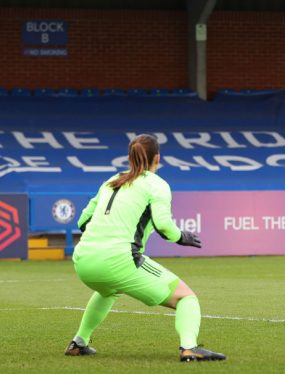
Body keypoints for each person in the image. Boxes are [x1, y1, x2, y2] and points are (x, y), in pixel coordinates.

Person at [64, 134, 226, 362]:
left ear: (130, 158)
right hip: (118, 260)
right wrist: (182, 237)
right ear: (157, 158)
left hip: (83, 259)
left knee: (108, 291)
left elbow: (82, 222)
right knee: (186, 298)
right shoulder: (156, 184)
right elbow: (163, 225)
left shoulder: (112, 181)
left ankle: (79, 342)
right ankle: (189, 348)